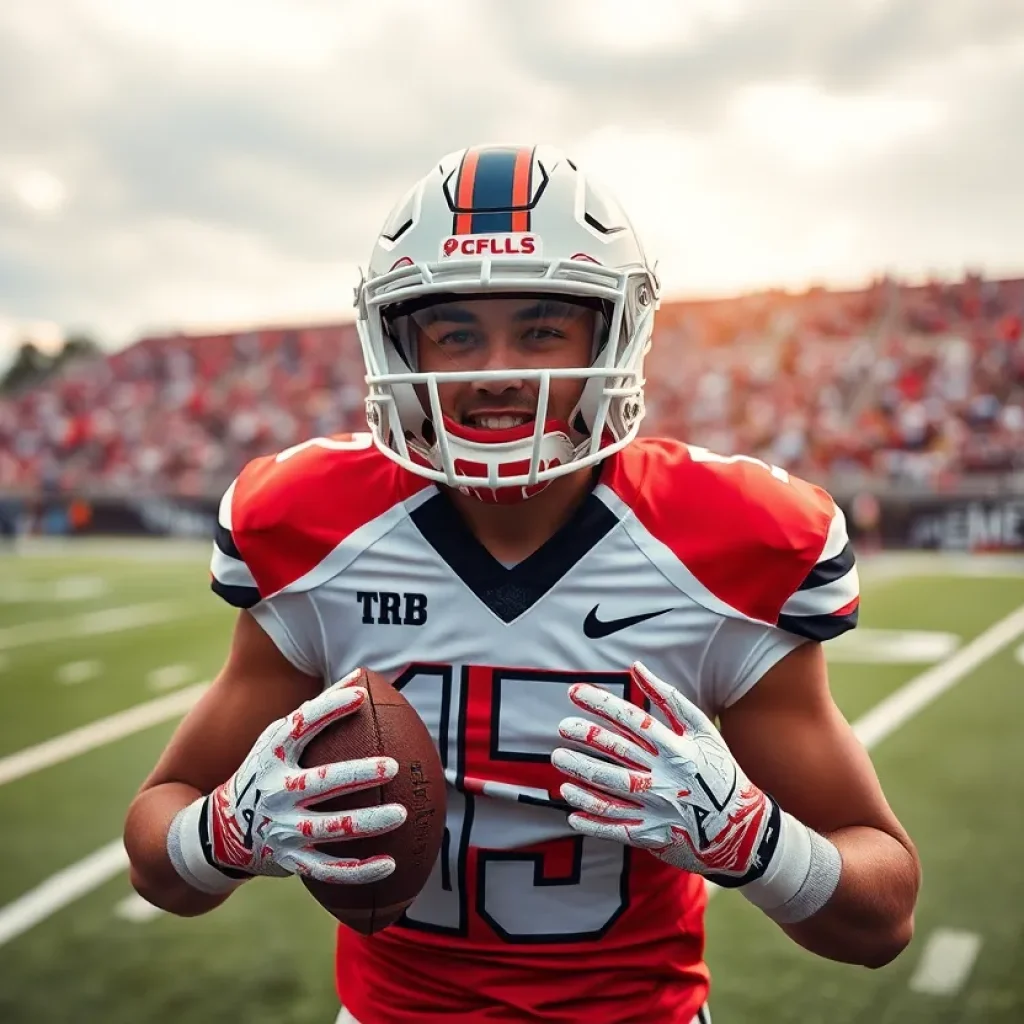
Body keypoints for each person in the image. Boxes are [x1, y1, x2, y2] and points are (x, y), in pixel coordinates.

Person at [124, 144, 920, 1024]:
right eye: (456, 331)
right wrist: (224, 833)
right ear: (399, 342)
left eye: (542, 327)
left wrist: (752, 841)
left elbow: (881, 916)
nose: (497, 369)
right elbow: (160, 865)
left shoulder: (729, 541)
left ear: (613, 335)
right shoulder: (311, 526)